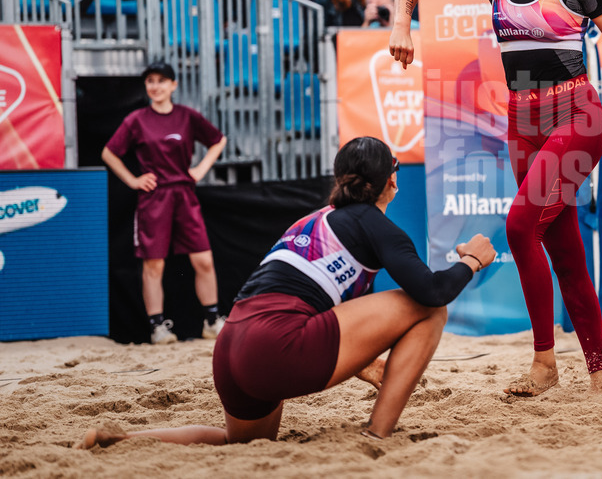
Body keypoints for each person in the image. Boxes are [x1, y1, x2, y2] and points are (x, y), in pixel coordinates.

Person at [388, 0, 602, 397]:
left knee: (520, 224)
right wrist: (401, 26)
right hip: (522, 122)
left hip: (577, 116)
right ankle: (601, 374)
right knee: (565, 250)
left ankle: (544, 363)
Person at [78, 136, 497, 447]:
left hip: (230, 347)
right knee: (429, 312)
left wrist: (365, 364)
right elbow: (433, 292)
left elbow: (324, 309)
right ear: (391, 181)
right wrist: (471, 260)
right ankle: (377, 435)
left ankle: (119, 439)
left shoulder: (316, 219)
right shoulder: (376, 225)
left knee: (237, 443)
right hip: (275, 347)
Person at [101, 60, 228, 345]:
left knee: (203, 260)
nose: (155, 86)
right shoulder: (136, 120)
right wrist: (133, 180)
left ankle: (211, 321)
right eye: (150, 81)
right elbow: (109, 153)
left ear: (174, 85)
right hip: (154, 198)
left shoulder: (187, 116)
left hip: (184, 194)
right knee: (153, 265)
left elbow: (218, 140)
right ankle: (158, 327)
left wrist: (200, 169)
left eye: (161, 80)